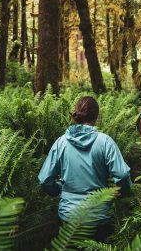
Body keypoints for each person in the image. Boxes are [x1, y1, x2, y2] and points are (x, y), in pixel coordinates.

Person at [38, 96, 132, 242]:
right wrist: (122, 193)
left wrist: (59, 189)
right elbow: (122, 174)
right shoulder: (105, 141)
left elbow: (45, 179)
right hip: (99, 216)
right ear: (97, 117)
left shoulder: (61, 142)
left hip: (69, 217)